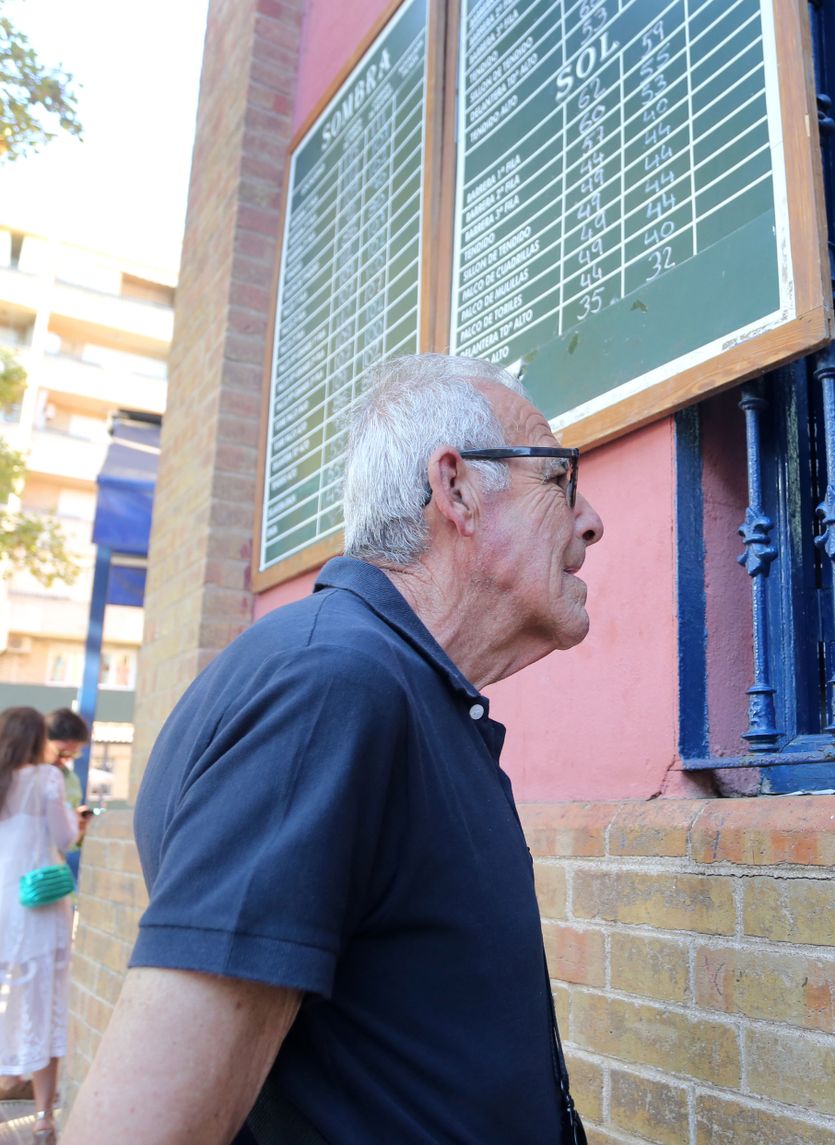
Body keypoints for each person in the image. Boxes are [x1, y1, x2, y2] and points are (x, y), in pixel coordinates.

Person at [65, 354, 604, 1144]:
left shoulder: (387, 686)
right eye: (559, 479)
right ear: (455, 488)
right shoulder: (331, 688)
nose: (589, 518)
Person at [0, 707, 80, 1143]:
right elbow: (65, 838)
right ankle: (43, 1117)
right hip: (38, 906)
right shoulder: (46, 779)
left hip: (1, 901)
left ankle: (10, 1074)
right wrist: (78, 821)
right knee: (45, 1006)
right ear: (36, 738)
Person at [43, 710, 92, 882]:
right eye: (61, 752)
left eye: (72, 755)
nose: (65, 760)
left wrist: (80, 825)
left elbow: (68, 842)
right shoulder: (22, 776)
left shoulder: (71, 780)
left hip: (51, 874)